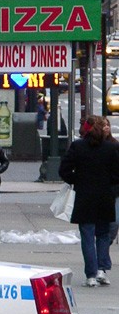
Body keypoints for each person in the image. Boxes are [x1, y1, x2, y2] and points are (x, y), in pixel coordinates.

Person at [59, 115, 119, 287]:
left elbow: (64, 169)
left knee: (87, 236)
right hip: (104, 196)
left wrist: (76, 180)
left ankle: (90, 274)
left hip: (85, 197)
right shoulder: (111, 148)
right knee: (102, 235)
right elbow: (116, 174)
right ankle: (102, 269)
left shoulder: (78, 146)